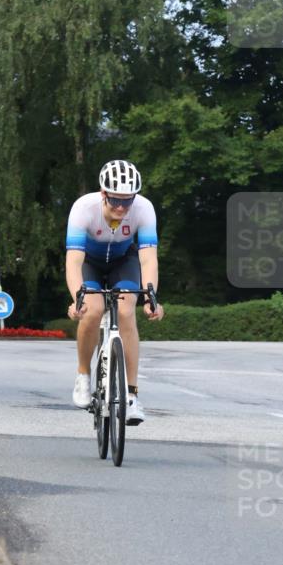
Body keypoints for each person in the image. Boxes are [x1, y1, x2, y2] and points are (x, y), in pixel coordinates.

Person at [65, 159, 164, 425]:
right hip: (90, 262)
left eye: (127, 201)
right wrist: (78, 299)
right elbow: (74, 262)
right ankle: (83, 375)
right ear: (103, 194)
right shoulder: (83, 208)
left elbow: (148, 259)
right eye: (115, 200)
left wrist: (151, 297)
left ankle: (131, 397)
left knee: (125, 311)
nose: (121, 207)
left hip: (123, 261)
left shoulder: (144, 208)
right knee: (93, 310)